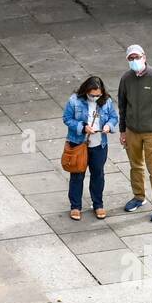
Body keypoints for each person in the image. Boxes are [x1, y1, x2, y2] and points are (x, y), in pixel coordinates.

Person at [118, 44, 152, 223]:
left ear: (144, 56)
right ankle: (138, 197)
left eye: (136, 57)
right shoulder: (126, 79)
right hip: (132, 131)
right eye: (131, 59)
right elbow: (122, 106)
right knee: (136, 166)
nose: (134, 61)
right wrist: (123, 130)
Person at [62, 76, 119, 222]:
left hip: (99, 144)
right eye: (92, 95)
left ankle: (98, 204)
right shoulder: (74, 100)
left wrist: (108, 126)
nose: (95, 98)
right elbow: (67, 119)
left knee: (98, 174)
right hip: (79, 143)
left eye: (98, 95)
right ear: (86, 91)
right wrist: (82, 127)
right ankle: (75, 206)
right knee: (77, 175)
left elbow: (113, 117)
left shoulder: (106, 101)